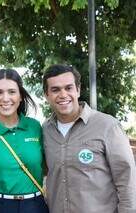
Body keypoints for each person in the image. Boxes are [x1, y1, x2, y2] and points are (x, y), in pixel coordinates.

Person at [42, 64, 136, 213]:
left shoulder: (107, 126)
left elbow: (127, 179)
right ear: (46, 95)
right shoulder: (45, 130)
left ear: (78, 90)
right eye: (55, 90)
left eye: (68, 88)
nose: (63, 94)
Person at [0, 69, 49, 213]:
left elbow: (49, 169)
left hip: (35, 206)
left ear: (20, 96)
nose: (5, 98)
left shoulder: (35, 127)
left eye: (12, 92)